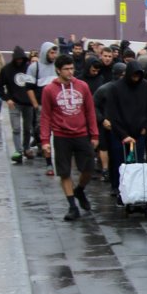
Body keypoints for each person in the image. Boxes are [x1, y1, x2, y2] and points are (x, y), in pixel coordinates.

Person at [39, 55, 98, 222]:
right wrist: (45, 141)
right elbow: (45, 116)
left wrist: (94, 134)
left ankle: (79, 189)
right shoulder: (49, 90)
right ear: (58, 70)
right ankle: (72, 206)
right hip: (61, 135)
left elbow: (90, 111)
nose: (70, 72)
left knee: (89, 168)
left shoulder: (82, 86)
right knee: (64, 172)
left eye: (72, 68)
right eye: (66, 69)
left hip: (81, 133)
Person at [103, 61, 147, 204]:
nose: (136, 78)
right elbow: (112, 114)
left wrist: (146, 127)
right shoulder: (116, 88)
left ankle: (135, 191)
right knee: (119, 163)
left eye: (138, 76)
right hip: (120, 134)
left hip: (139, 132)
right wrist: (123, 135)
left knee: (137, 164)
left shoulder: (144, 87)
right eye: (133, 75)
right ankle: (118, 189)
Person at [0, 47, 40, 164]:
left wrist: (35, 100)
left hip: (28, 103)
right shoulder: (7, 70)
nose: (19, 61)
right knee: (16, 128)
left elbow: (35, 84)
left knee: (27, 128)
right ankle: (18, 151)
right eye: (17, 59)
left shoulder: (29, 68)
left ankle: (26, 148)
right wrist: (7, 99)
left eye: (21, 59)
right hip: (14, 103)